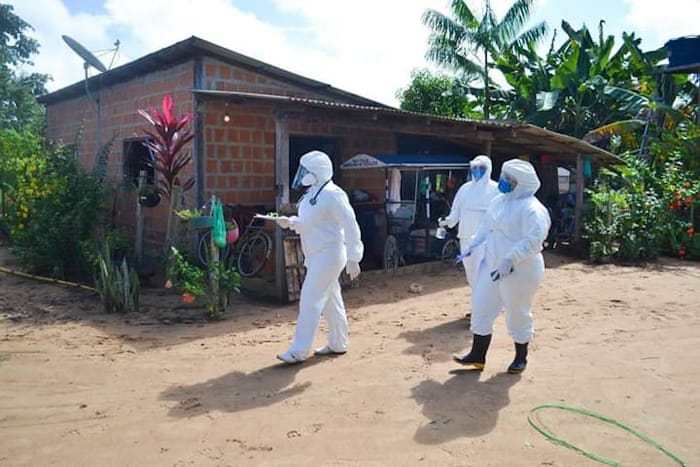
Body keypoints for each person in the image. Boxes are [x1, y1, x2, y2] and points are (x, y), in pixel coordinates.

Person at [453, 159, 551, 374]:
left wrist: (510, 259)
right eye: (504, 176)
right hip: (492, 265)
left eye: (510, 179)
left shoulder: (533, 209)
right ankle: (478, 356)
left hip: (520, 270)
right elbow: (486, 228)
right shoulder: (499, 201)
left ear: (522, 183)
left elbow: (533, 240)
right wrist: (470, 247)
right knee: (481, 305)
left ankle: (520, 357)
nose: (504, 181)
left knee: (517, 311)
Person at [275, 150, 364, 364]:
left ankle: (299, 349)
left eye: (306, 170)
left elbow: (350, 225)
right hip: (315, 254)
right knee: (331, 300)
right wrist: (292, 222)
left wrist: (354, 255)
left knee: (310, 299)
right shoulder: (311, 195)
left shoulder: (334, 194)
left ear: (317, 172)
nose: (302, 175)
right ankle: (338, 342)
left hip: (330, 254)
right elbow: (312, 223)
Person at [439, 155, 499, 284]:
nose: (477, 171)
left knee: (483, 272)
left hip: (485, 240)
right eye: (474, 167)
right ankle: (477, 299)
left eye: (481, 168)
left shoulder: (496, 190)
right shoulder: (464, 189)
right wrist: (446, 221)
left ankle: (486, 301)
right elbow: (455, 215)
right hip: (465, 238)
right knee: (471, 273)